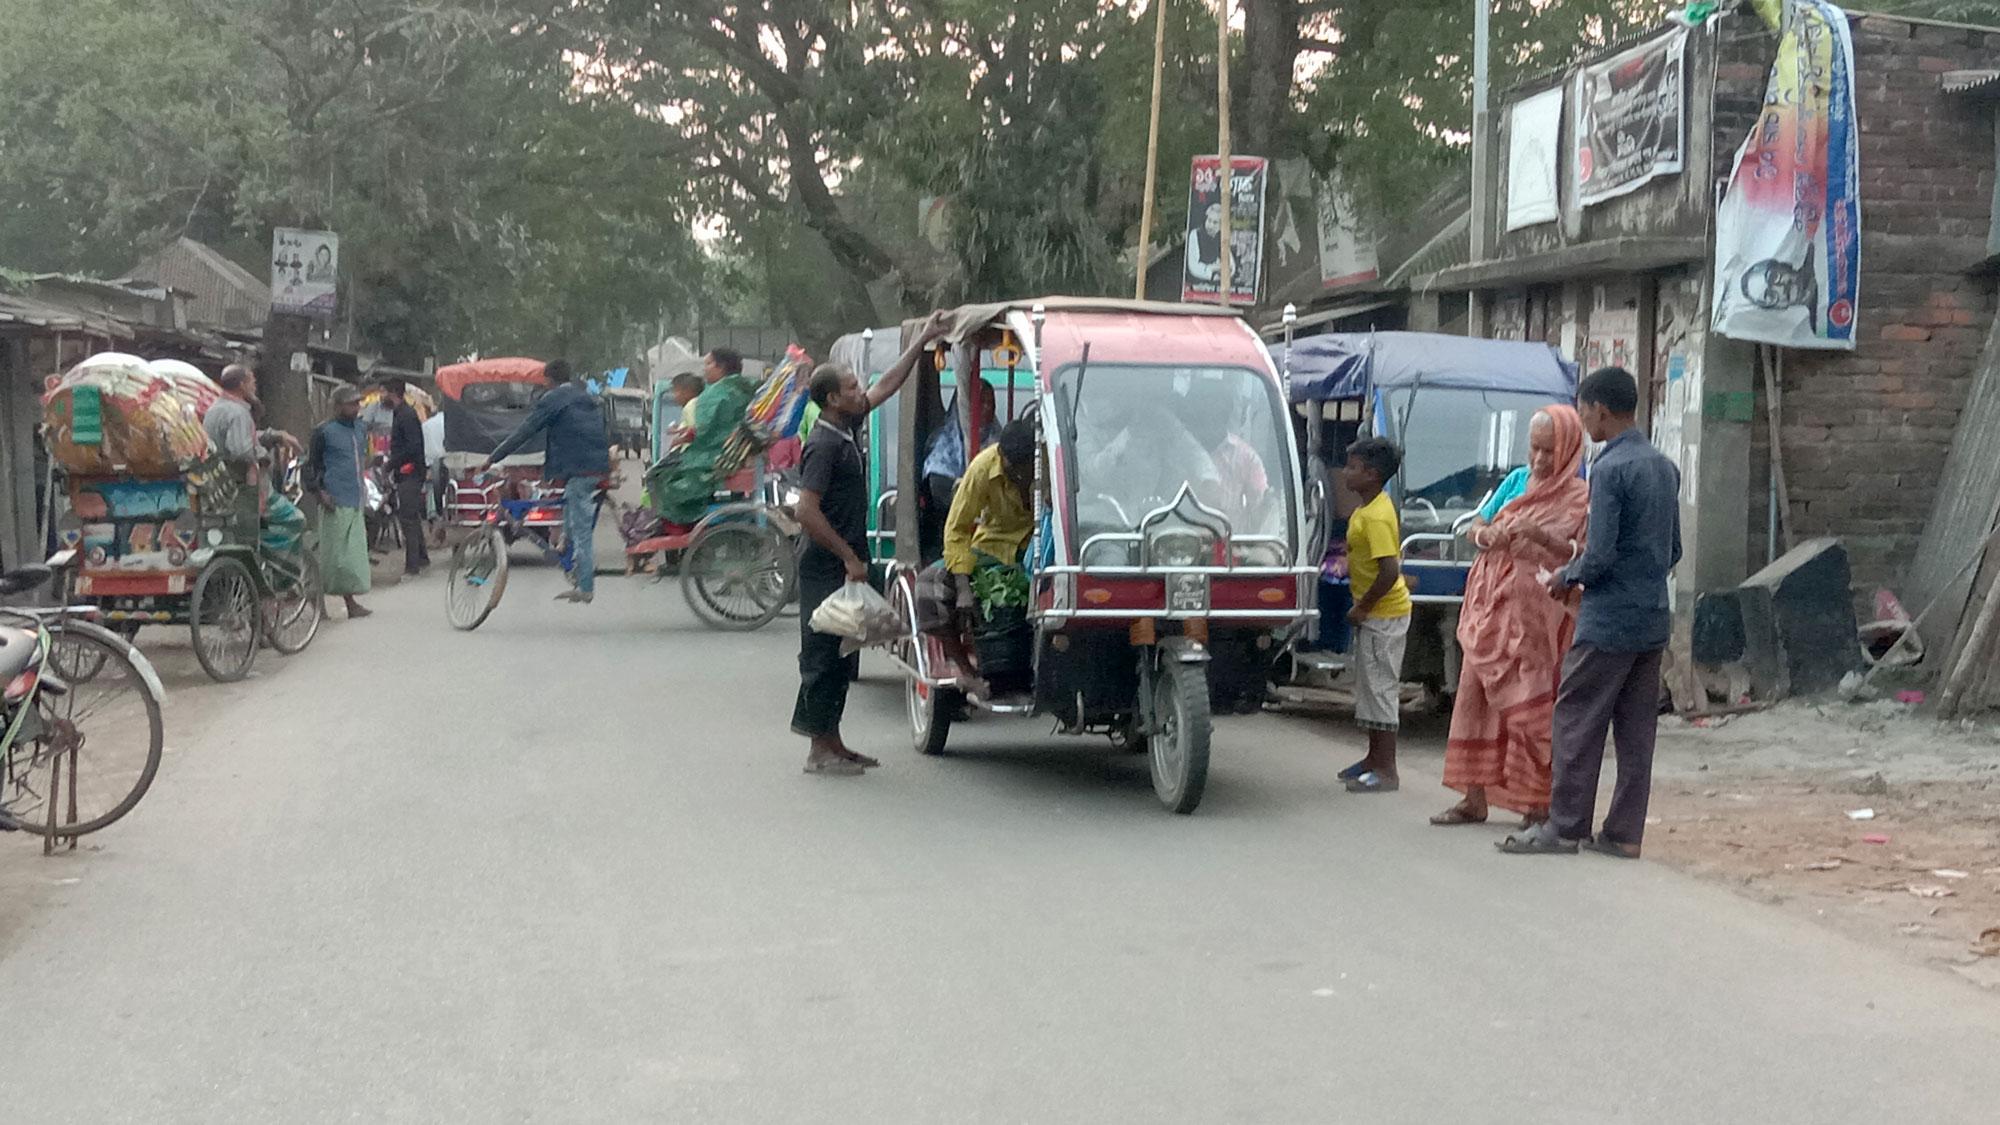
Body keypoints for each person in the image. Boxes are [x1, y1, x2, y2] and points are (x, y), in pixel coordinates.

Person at [1501, 368, 1682, 859]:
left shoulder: (1608, 469)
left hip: (1607, 621)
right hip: (1651, 619)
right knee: (1635, 730)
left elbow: (1599, 557)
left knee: (1576, 719)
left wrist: (1562, 577)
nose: (1583, 423)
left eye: (1584, 413)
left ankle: (1564, 826)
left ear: (1601, 410)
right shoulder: (1665, 467)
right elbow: (1673, 551)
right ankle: (1624, 833)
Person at [793, 312, 950, 776]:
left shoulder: (848, 426)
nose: (860, 389)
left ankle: (834, 742)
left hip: (844, 562)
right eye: (850, 386)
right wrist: (847, 556)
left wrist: (920, 341)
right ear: (830, 399)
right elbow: (806, 511)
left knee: (843, 655)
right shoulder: (824, 444)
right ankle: (818, 750)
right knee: (822, 657)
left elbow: (887, 385)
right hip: (825, 565)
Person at [1431, 406, 1591, 828]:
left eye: (1549, 451)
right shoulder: (1516, 482)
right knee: (1475, 699)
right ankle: (1473, 798)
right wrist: (1489, 535)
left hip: (1538, 624)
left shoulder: (1581, 498)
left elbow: (1581, 556)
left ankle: (1535, 804)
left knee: (1529, 707)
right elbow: (1476, 526)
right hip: (1489, 613)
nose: (1539, 460)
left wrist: (1541, 537)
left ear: (1571, 450)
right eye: (1535, 449)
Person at [482, 359, 611, 605]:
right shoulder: (585, 397)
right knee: (570, 508)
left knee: (582, 527)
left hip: (580, 470)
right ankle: (564, 547)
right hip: (594, 466)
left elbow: (525, 431)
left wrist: (493, 457)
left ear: (548, 380)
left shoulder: (552, 399)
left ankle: (585, 586)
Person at [936, 419, 1037, 697]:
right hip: (992, 548)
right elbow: (956, 530)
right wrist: (963, 588)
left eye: (1024, 468)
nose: (1018, 475)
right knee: (930, 590)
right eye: (1012, 468)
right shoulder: (982, 468)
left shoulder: (1050, 464)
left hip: (1039, 547)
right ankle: (967, 674)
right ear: (1001, 457)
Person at [1336, 437, 1412, 794]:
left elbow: (1389, 570)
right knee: (1369, 688)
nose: (1346, 473)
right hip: (1374, 614)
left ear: (1372, 474)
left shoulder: (1378, 515)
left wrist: (1362, 607)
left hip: (1383, 614)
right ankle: (1372, 758)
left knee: (1381, 690)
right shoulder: (1366, 510)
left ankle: (1387, 769)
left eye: (1353, 467)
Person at [654, 349, 758, 527]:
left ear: (721, 367)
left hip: (715, 456)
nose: (705, 369)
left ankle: (683, 522)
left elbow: (705, 432)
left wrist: (688, 438)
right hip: (732, 452)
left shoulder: (717, 393)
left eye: (708, 364)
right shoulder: (745, 388)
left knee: (663, 477)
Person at [303, 386, 373, 619]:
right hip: (333, 498)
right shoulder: (323, 432)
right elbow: (310, 466)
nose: (356, 408)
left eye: (357, 403)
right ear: (338, 406)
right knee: (334, 558)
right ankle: (318, 603)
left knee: (352, 557)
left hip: (355, 498)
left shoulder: (361, 429)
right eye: (351, 404)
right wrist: (319, 492)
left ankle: (350, 601)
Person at [919, 380, 1001, 561]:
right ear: (964, 407)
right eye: (981, 402)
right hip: (945, 540)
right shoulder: (944, 445)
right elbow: (941, 491)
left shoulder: (997, 440)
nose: (987, 408)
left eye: (991, 403)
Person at [380, 378, 430, 577]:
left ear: (393, 393)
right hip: (406, 472)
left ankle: (412, 566)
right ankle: (423, 557)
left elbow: (412, 447)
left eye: (383, 392)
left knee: (407, 518)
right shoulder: (400, 414)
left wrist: (390, 464)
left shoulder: (406, 416)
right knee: (412, 516)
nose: (381, 397)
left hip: (410, 472)